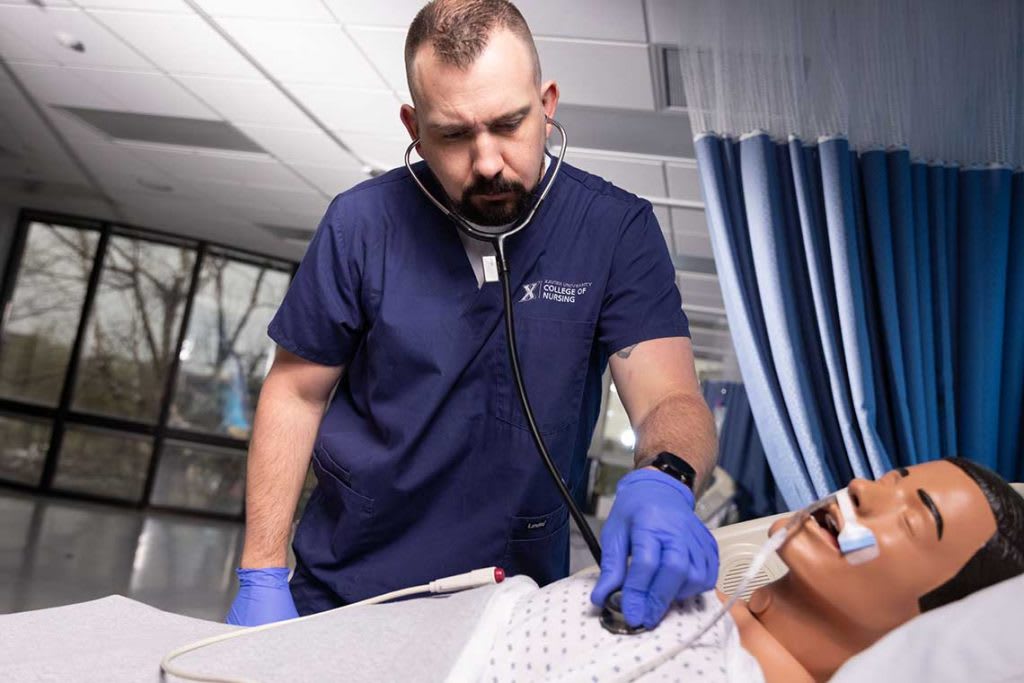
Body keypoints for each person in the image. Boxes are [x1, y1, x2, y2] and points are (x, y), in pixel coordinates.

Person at [225, 0, 719, 628]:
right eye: (455, 135)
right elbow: (296, 393)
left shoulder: (614, 231)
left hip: (512, 593)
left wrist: (668, 480)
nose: (486, 162)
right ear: (414, 127)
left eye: (509, 124)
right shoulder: (361, 225)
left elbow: (667, 398)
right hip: (349, 579)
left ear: (547, 103)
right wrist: (262, 572)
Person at [485, 457, 1024, 682]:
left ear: (930, 621)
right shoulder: (693, 586)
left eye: (912, 519)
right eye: (889, 477)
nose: (860, 488)